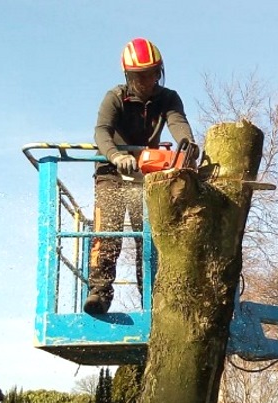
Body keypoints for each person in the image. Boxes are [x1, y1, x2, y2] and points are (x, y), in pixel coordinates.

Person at [84, 37, 196, 315]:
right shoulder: (115, 97)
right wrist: (116, 155)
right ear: (129, 75)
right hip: (111, 173)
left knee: (148, 236)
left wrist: (189, 145)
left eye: (152, 73)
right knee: (108, 231)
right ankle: (99, 292)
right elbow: (101, 131)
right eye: (140, 76)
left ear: (160, 71)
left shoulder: (168, 98)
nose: (147, 81)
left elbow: (178, 123)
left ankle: (151, 296)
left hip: (148, 175)